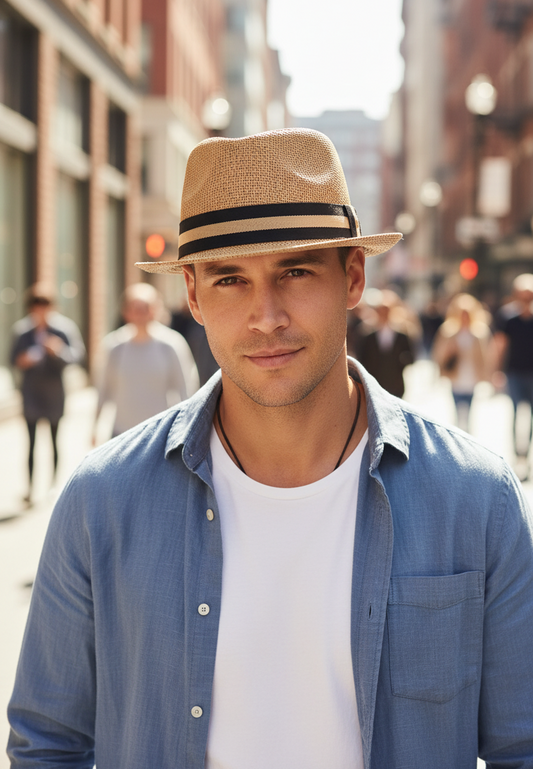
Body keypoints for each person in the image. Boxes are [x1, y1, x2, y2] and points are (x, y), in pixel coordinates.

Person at [7, 129, 533, 768]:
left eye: (296, 271)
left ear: (353, 277)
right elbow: (48, 743)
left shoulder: (473, 497)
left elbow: (520, 746)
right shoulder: (101, 501)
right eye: (230, 279)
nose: (267, 316)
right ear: (194, 297)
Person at [10, 283, 86, 503]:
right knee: (30, 443)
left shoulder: (63, 329)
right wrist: (22, 360)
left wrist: (58, 351)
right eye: (36, 306)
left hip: (54, 394)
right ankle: (30, 488)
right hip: (31, 394)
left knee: (54, 440)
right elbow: (12, 358)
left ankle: (54, 485)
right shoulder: (22, 331)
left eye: (44, 305)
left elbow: (77, 357)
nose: (40, 311)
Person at [93, 282, 199, 439]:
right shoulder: (114, 345)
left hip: (159, 436)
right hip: (121, 435)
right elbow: (104, 390)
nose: (140, 313)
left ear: (157, 309)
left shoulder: (172, 344)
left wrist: (188, 429)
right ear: (126, 311)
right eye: (135, 308)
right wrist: (95, 426)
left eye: (146, 307)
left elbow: (186, 390)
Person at [432, 293, 492, 432]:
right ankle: (458, 431)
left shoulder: (479, 332)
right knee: (457, 407)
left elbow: (485, 356)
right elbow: (438, 354)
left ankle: (467, 432)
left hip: (472, 375)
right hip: (456, 376)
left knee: (470, 409)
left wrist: (487, 376)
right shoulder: (448, 331)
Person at [493, 273, 533, 478]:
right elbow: (500, 345)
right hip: (515, 373)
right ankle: (519, 457)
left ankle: (527, 454)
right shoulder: (507, 317)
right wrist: (497, 371)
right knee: (516, 414)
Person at [356, 288, 415, 397]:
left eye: (386, 310)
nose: (384, 314)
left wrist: (400, 362)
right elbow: (362, 356)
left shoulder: (401, 334)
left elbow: (410, 355)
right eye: (381, 310)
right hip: (375, 383)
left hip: (395, 383)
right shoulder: (367, 335)